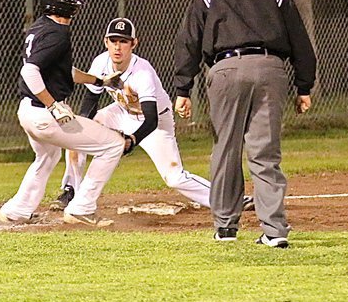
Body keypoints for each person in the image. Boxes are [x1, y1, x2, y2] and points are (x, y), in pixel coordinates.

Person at [171, 0, 317, 246]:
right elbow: (301, 44)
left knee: (226, 149)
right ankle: (275, 232)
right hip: (270, 69)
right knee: (265, 154)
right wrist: (304, 86)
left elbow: (189, 43)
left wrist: (183, 88)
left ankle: (226, 227)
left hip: (225, 70)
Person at [51, 17, 253, 213]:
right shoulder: (100, 63)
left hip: (156, 122)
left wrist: (133, 140)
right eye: (113, 41)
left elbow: (151, 119)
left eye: (124, 41)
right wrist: (85, 127)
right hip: (120, 112)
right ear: (106, 42)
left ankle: (229, 199)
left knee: (174, 177)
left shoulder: (142, 73)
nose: (118, 47)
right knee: (77, 134)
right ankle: (71, 190)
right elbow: (90, 103)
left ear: (134, 44)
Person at [0, 0, 129, 228]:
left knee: (48, 155)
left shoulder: (40, 27)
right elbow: (30, 72)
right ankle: (82, 207)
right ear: (67, 5)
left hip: (28, 110)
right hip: (43, 113)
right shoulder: (57, 35)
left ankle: (17, 211)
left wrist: (99, 80)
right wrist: (51, 104)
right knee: (113, 145)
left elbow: (62, 71)